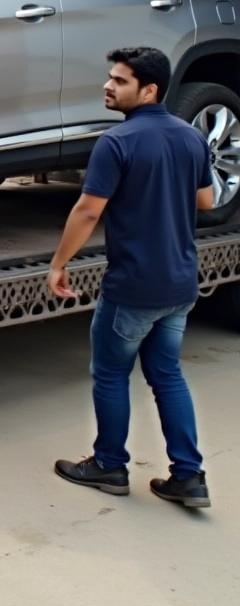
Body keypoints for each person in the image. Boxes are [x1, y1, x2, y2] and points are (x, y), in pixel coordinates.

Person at [48, 47, 215, 508]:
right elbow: (205, 200)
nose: (108, 86)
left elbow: (87, 211)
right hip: (180, 284)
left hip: (133, 288)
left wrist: (59, 263)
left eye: (119, 81)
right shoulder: (190, 137)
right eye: (110, 78)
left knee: (110, 374)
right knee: (167, 376)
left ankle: (109, 466)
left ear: (149, 89)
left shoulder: (116, 143)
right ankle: (189, 476)